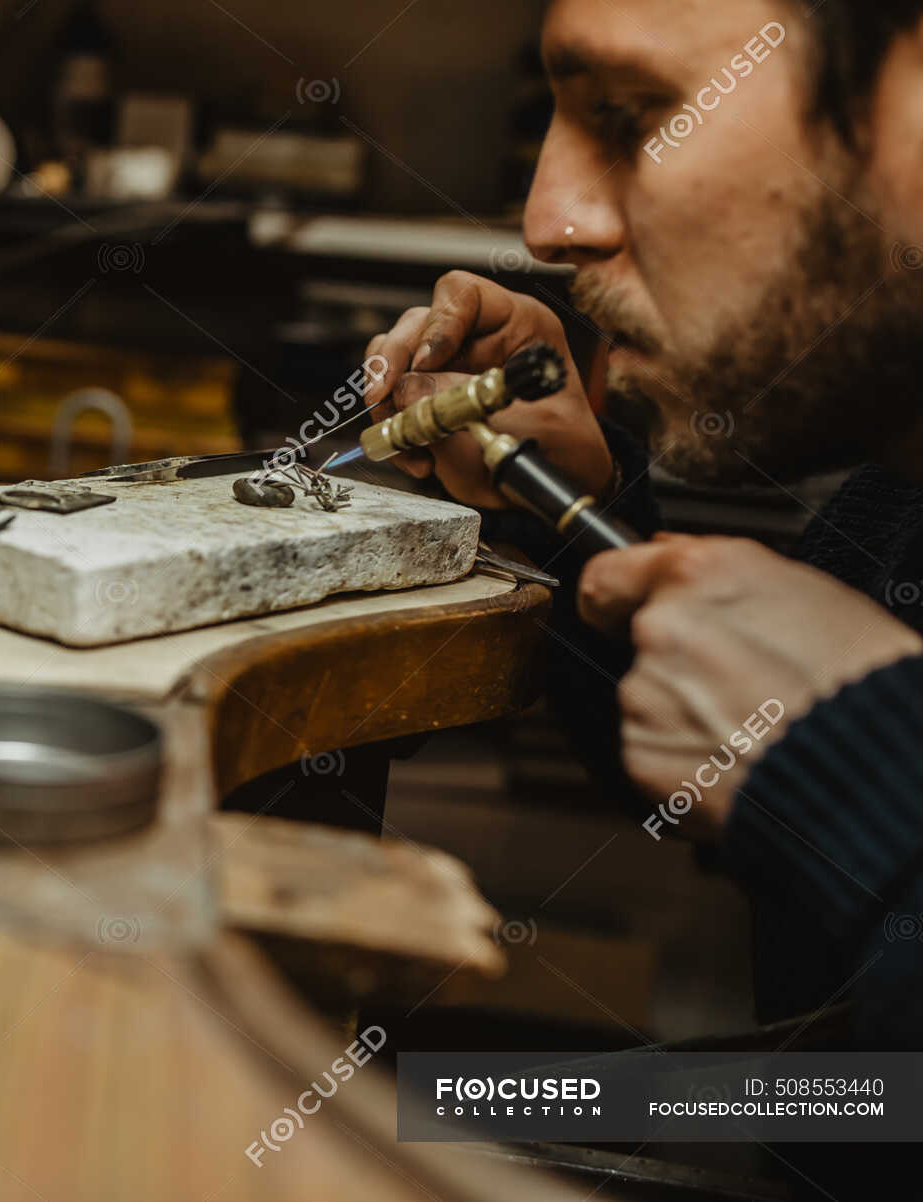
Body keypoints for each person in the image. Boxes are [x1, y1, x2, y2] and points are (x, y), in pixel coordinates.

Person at [361, 0, 923, 1049]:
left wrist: (864, 763)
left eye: (628, 114)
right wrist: (577, 502)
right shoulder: (895, 505)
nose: (550, 221)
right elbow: (708, 764)